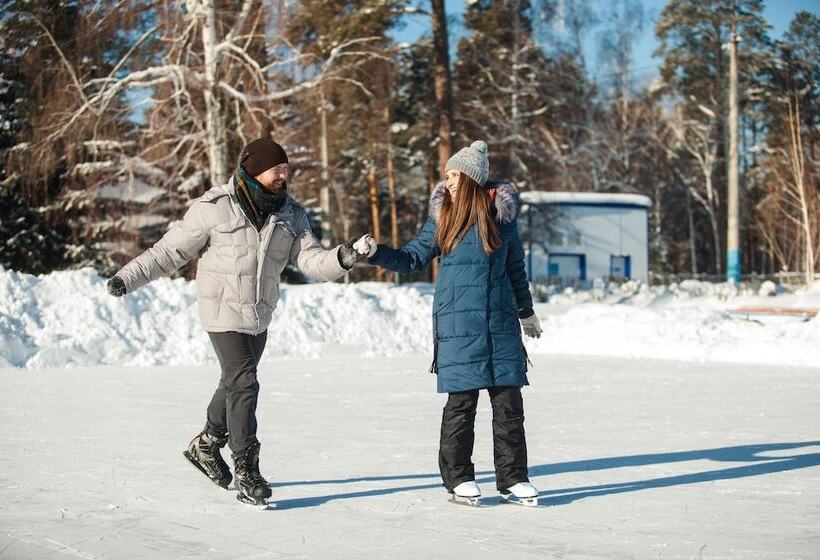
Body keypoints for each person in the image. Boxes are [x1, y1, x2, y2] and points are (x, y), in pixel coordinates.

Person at [106, 137, 371, 505]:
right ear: (255, 169)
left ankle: (207, 443)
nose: (284, 175)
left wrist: (344, 257)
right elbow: (170, 251)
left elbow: (311, 260)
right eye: (277, 169)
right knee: (244, 381)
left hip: (259, 314)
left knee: (233, 384)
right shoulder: (215, 207)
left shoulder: (291, 215)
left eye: (286, 169)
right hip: (221, 311)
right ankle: (247, 468)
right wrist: (126, 278)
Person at [361, 140, 543, 506]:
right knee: (462, 404)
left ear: (473, 178)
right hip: (459, 324)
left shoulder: (503, 221)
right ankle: (458, 478)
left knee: (509, 406)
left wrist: (526, 312)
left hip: (501, 324)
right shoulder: (443, 217)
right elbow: (412, 258)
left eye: (455, 174)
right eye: (447, 175)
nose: (449, 181)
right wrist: (377, 252)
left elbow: (515, 271)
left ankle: (513, 479)